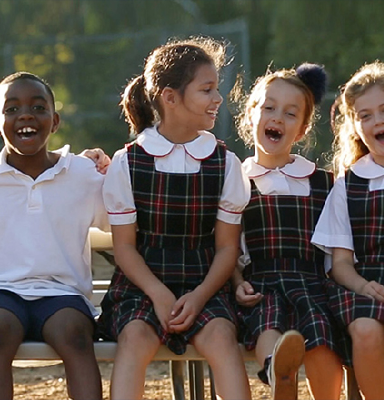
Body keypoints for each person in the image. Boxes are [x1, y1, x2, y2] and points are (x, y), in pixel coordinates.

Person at [97, 36, 252, 400]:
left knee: (222, 340)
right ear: (170, 97)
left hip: (205, 284)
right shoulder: (128, 162)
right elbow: (125, 248)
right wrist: (159, 294)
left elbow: (227, 248)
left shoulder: (225, 162)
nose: (218, 98)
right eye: (207, 90)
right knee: (133, 340)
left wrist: (198, 297)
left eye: (217, 89)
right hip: (142, 285)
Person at [232, 63, 348, 400]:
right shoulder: (237, 181)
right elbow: (227, 247)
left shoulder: (323, 182)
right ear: (250, 115)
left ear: (301, 129)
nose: (277, 118)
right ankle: (277, 371)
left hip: (312, 282)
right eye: (268, 108)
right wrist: (238, 285)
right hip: (261, 281)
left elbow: (335, 248)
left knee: (321, 337)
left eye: (290, 113)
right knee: (266, 321)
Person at [0, 71, 110, 400]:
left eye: (38, 107)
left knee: (75, 335)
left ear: (55, 120)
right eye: (11, 109)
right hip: (4, 292)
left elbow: (119, 224)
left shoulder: (82, 174)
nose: (25, 116)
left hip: (62, 295)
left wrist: (108, 167)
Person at [312, 60, 384, 400]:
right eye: (365, 115)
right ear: (355, 125)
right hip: (369, 288)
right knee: (364, 331)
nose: (377, 120)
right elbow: (340, 264)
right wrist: (365, 287)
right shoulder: (348, 184)